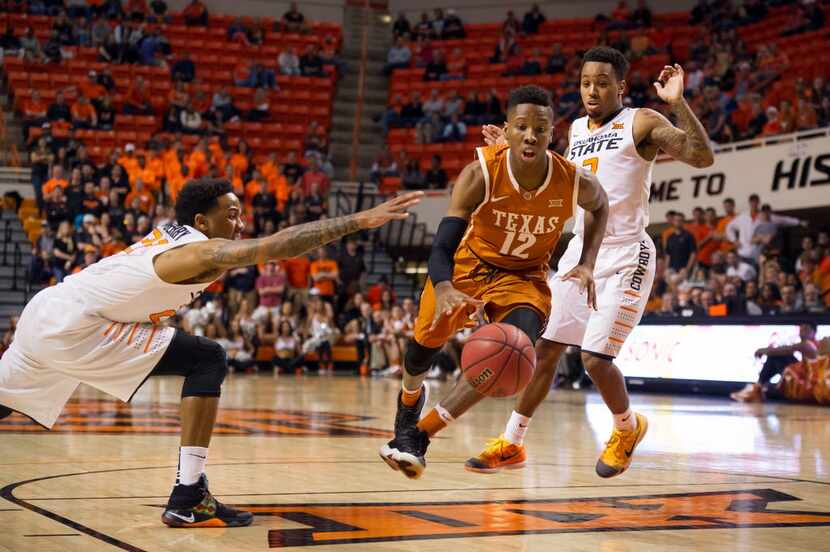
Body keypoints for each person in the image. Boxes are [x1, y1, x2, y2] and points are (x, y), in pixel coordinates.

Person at [0, 178, 422, 525]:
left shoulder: (176, 232)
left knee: (4, 401)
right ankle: (188, 494)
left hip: (46, 310)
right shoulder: (201, 250)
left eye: (240, 213)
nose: (240, 223)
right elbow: (277, 246)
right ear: (203, 220)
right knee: (207, 357)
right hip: (77, 327)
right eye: (231, 214)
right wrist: (358, 220)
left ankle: (191, 495)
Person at [474, 47, 714, 477]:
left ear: (620, 87)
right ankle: (512, 442)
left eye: (602, 82)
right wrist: (513, 152)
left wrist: (677, 103)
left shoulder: (641, 121)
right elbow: (563, 180)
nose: (592, 90)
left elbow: (701, 156)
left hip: (626, 253)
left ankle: (627, 427)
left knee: (595, 360)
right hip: (581, 251)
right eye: (586, 82)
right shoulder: (578, 129)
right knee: (544, 350)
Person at [378, 85, 610, 480]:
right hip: (469, 267)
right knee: (419, 354)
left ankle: (419, 435)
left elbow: (601, 205)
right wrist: (446, 286)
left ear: (552, 133)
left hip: (524, 277)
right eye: (521, 126)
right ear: (509, 129)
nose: (531, 135)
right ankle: (409, 402)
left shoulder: (572, 180)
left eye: (540, 128)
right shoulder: (479, 173)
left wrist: (588, 262)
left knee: (510, 352)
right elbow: (442, 246)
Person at [731, 322, 819, 402]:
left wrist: (762, 350)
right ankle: (758, 388)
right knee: (776, 357)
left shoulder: (808, 345)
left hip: (809, 384)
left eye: (806, 330)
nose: (802, 332)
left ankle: (758, 388)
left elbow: (785, 350)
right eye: (801, 329)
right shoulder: (808, 344)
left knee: (777, 356)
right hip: (806, 380)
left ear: (814, 332)